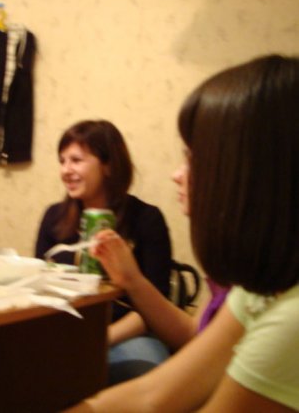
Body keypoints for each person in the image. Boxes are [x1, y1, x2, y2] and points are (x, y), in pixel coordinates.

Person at [68, 54, 299, 412]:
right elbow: (151, 395)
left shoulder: (292, 319)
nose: (177, 174)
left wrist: (129, 289)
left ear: (251, 175)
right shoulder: (258, 291)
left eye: (193, 157)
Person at [35, 120, 173, 383]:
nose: (66, 170)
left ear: (108, 165)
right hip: (64, 332)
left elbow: (157, 305)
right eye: (62, 161)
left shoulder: (146, 218)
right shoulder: (54, 217)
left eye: (76, 160)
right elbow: (38, 286)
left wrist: (101, 339)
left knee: (149, 375)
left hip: (127, 334)